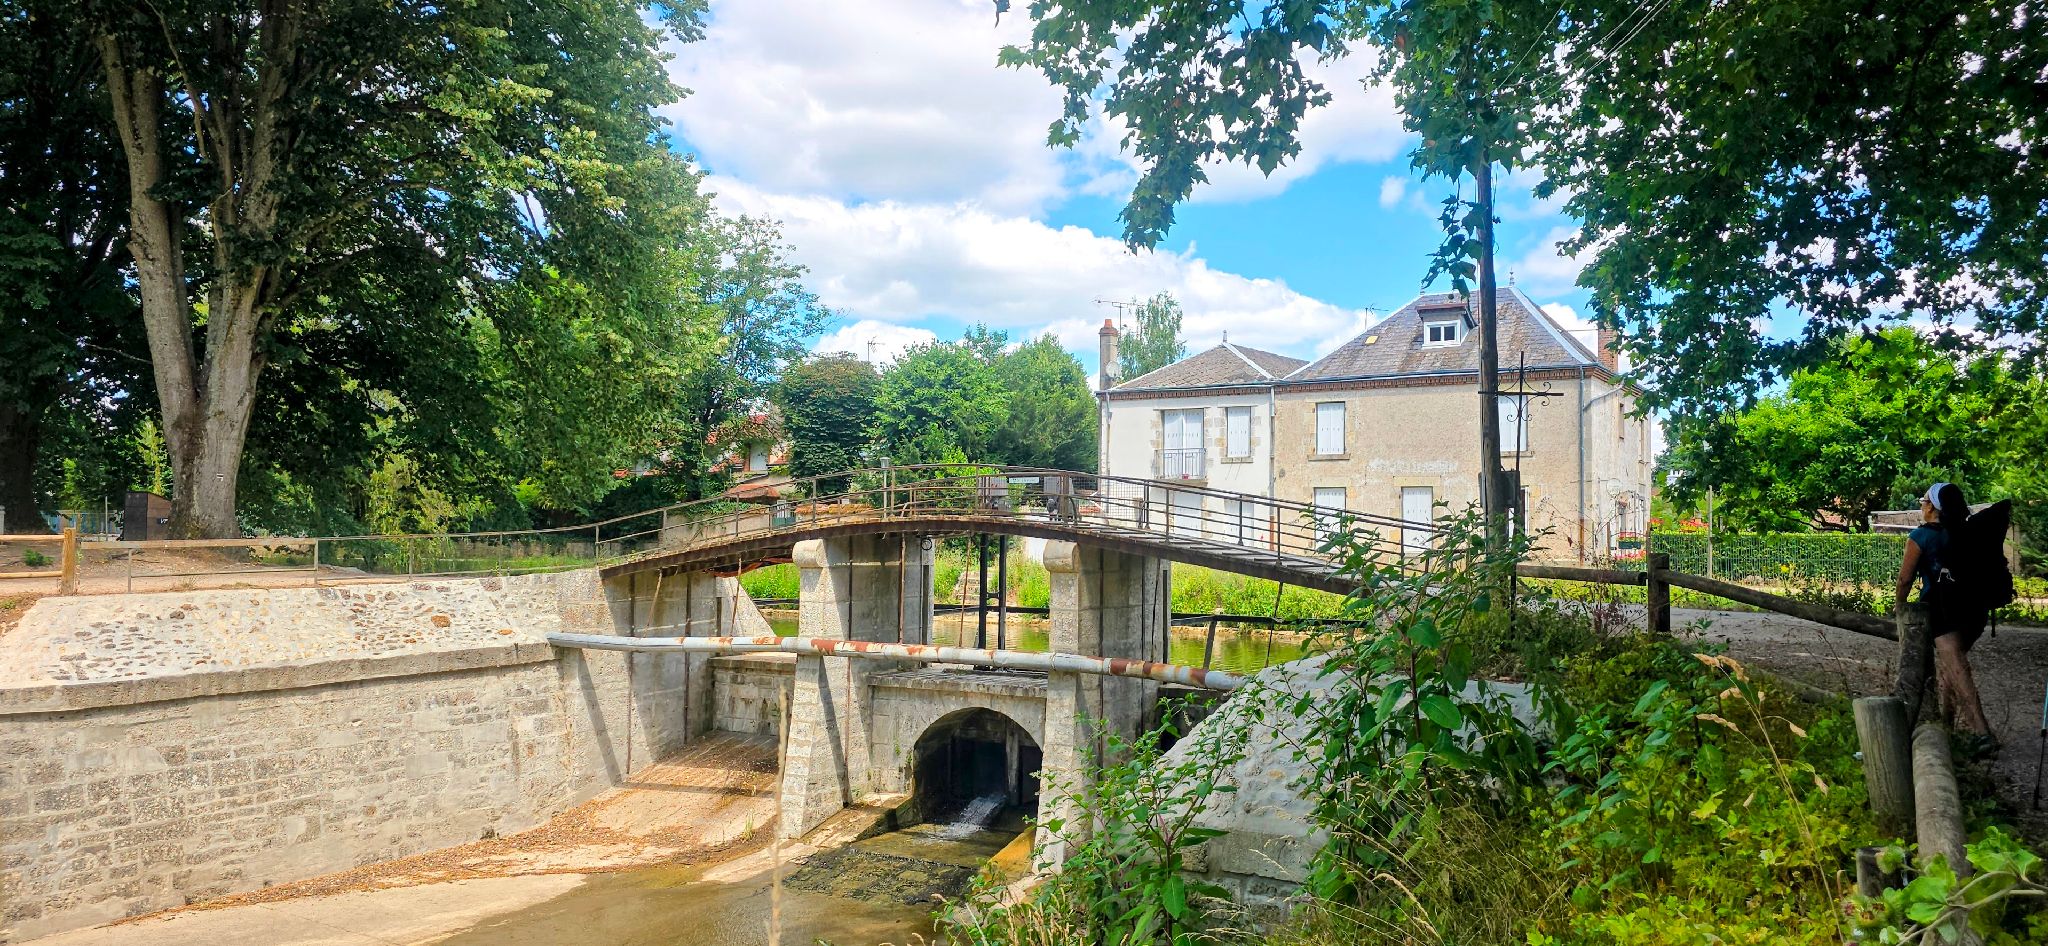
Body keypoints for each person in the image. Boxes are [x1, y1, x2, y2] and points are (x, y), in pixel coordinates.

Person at [1894, 482, 1992, 737]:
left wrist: (1899, 607)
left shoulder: (1921, 536)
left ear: (1931, 507)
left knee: (1957, 668)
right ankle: (1946, 725)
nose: (1921, 506)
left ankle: (1983, 734)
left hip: (1943, 609)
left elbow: (1905, 579)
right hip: (1975, 609)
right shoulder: (1966, 531)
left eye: (1923, 501)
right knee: (1952, 666)